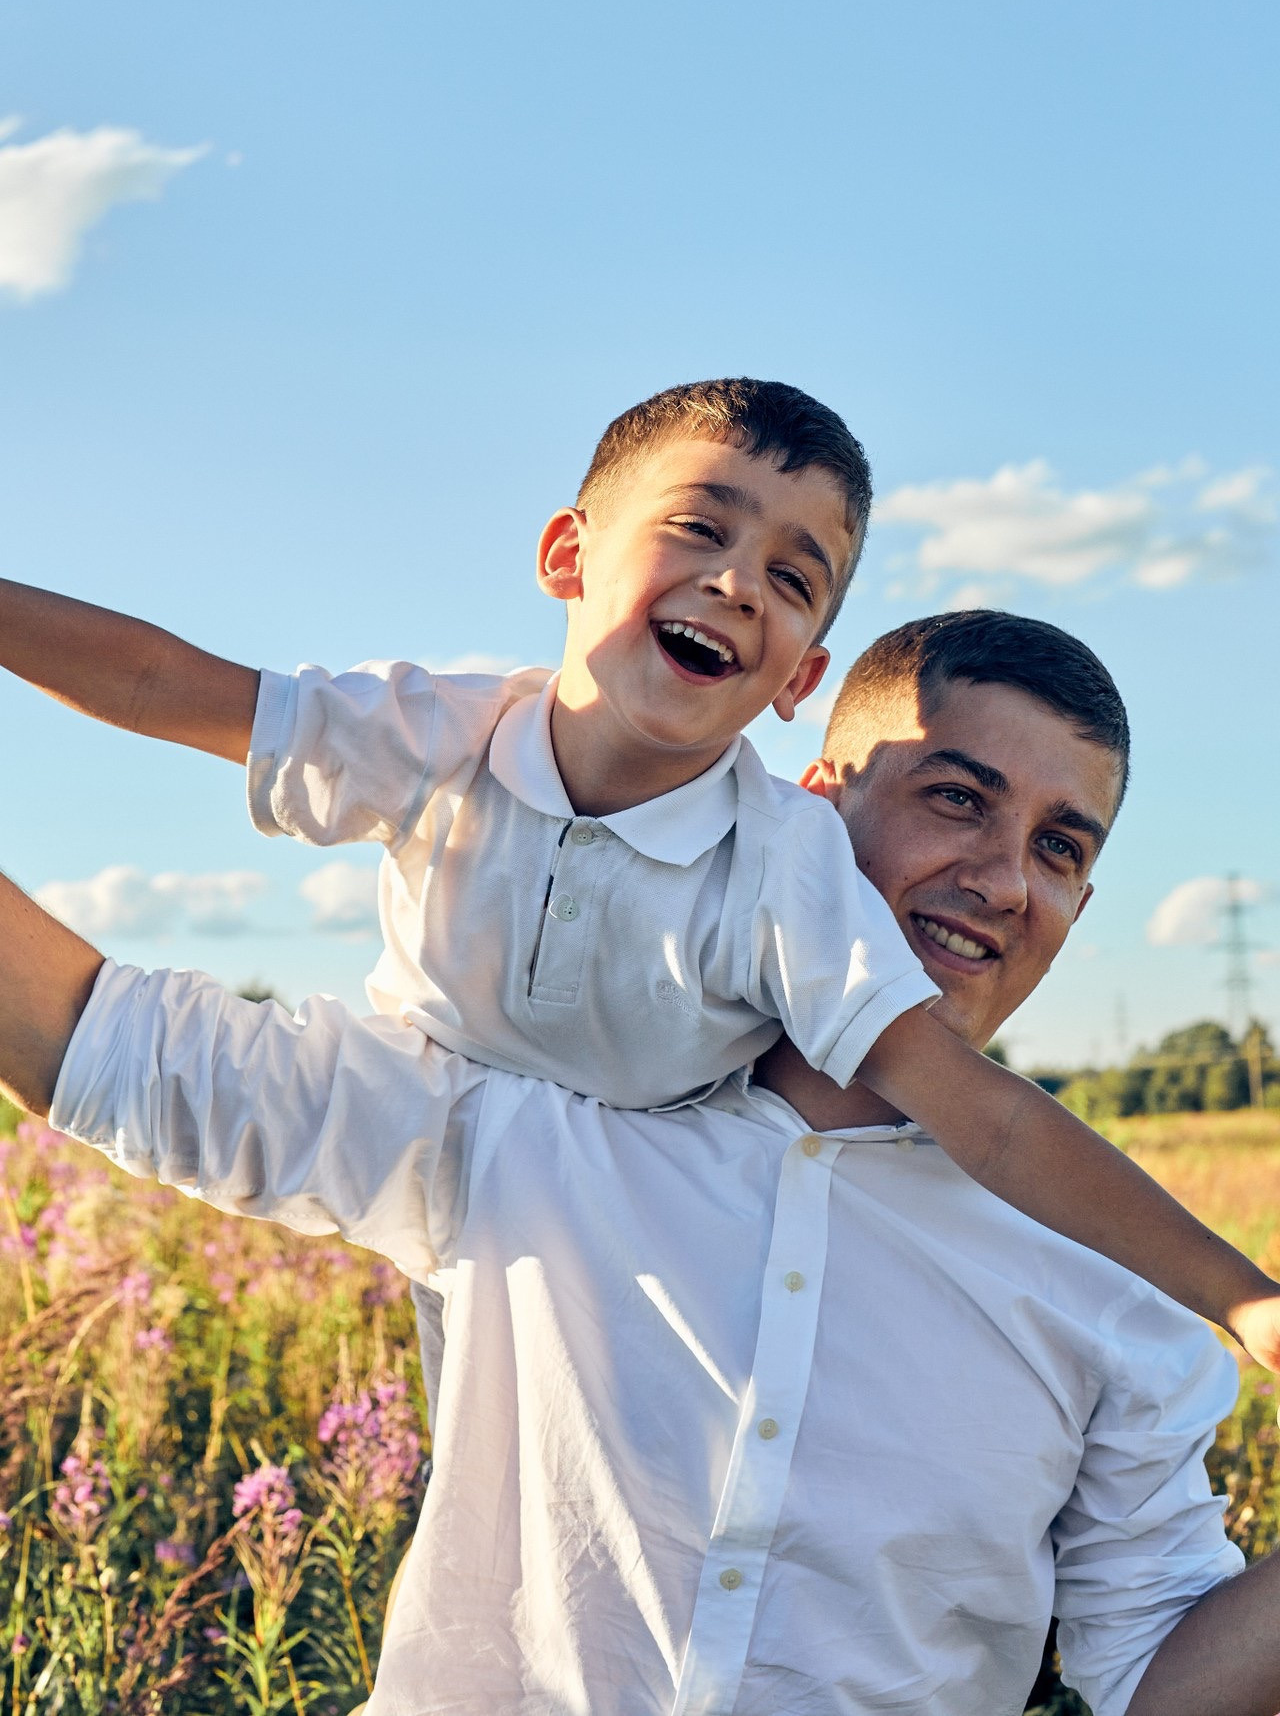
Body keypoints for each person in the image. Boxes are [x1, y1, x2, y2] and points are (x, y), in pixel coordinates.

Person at [4, 610, 1280, 1715]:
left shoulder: (1120, 1283)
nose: (1003, 879)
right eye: (958, 797)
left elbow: (1154, 1679)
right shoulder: (524, 1110)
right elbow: (102, 1041)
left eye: (1060, 847)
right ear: (812, 803)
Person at [2, 378, 1279, 1361]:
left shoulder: (783, 866)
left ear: (797, 680)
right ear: (565, 556)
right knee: (128, 1052)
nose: (736, 581)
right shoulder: (441, 730)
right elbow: (176, 684)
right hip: (417, 1094)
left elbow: (984, 1109)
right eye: (698, 529)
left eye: (792, 577)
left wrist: (1243, 1298)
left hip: (648, 1193)